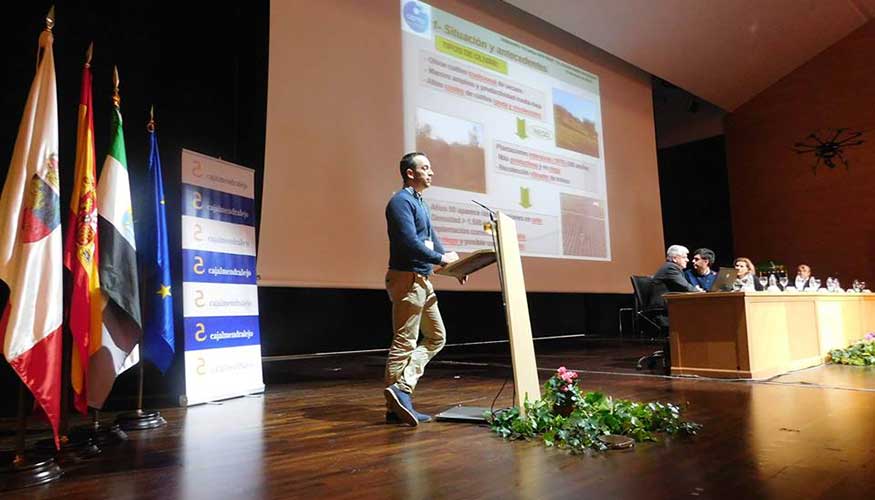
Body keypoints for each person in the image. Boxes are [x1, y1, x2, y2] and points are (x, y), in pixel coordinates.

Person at [383, 152, 466, 427]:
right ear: (410, 173)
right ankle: (396, 404)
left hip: (422, 279)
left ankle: (401, 390)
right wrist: (440, 259)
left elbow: (432, 241)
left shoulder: (421, 202)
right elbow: (408, 242)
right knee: (404, 342)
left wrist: (455, 268)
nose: (431, 173)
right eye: (426, 168)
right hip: (407, 278)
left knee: (437, 337)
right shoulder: (400, 202)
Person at [650, 245, 699, 311]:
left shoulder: (672, 267)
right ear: (674, 259)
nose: (687, 260)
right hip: (662, 310)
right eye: (684, 257)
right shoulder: (670, 268)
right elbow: (685, 286)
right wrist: (700, 292)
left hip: (670, 307)